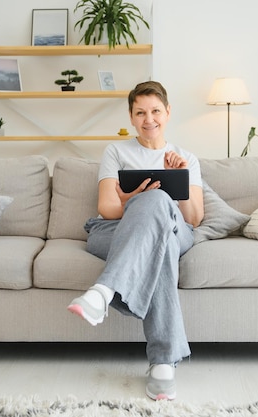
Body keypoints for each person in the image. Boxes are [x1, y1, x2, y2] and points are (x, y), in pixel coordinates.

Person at [67, 81, 204, 401]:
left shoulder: (187, 158)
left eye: (155, 111)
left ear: (168, 113)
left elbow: (194, 219)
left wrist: (180, 181)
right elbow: (107, 207)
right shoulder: (117, 151)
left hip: (176, 229)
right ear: (131, 116)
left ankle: (102, 292)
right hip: (115, 230)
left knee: (158, 204)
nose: (149, 119)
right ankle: (162, 365)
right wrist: (132, 200)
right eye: (140, 112)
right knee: (158, 233)